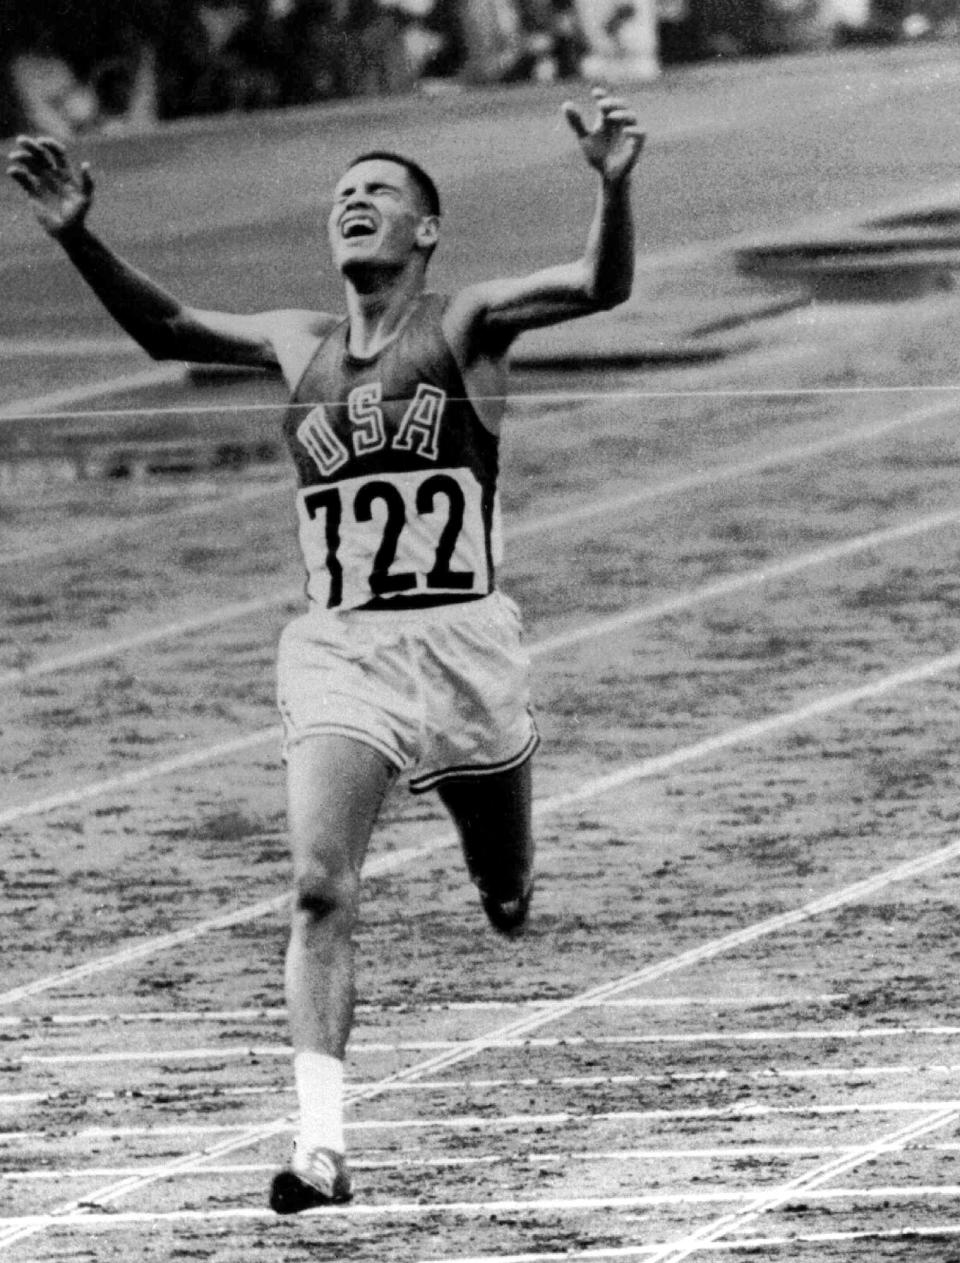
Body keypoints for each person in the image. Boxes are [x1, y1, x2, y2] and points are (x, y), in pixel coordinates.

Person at [6, 87, 643, 1211]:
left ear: (424, 230)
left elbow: (600, 286)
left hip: (464, 652)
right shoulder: (294, 343)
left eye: (379, 193)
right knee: (316, 884)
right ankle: (321, 1148)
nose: (354, 204)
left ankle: (507, 870)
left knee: (503, 887)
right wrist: (79, 239)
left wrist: (612, 183)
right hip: (341, 652)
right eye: (342, 195)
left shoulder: (467, 321)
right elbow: (168, 330)